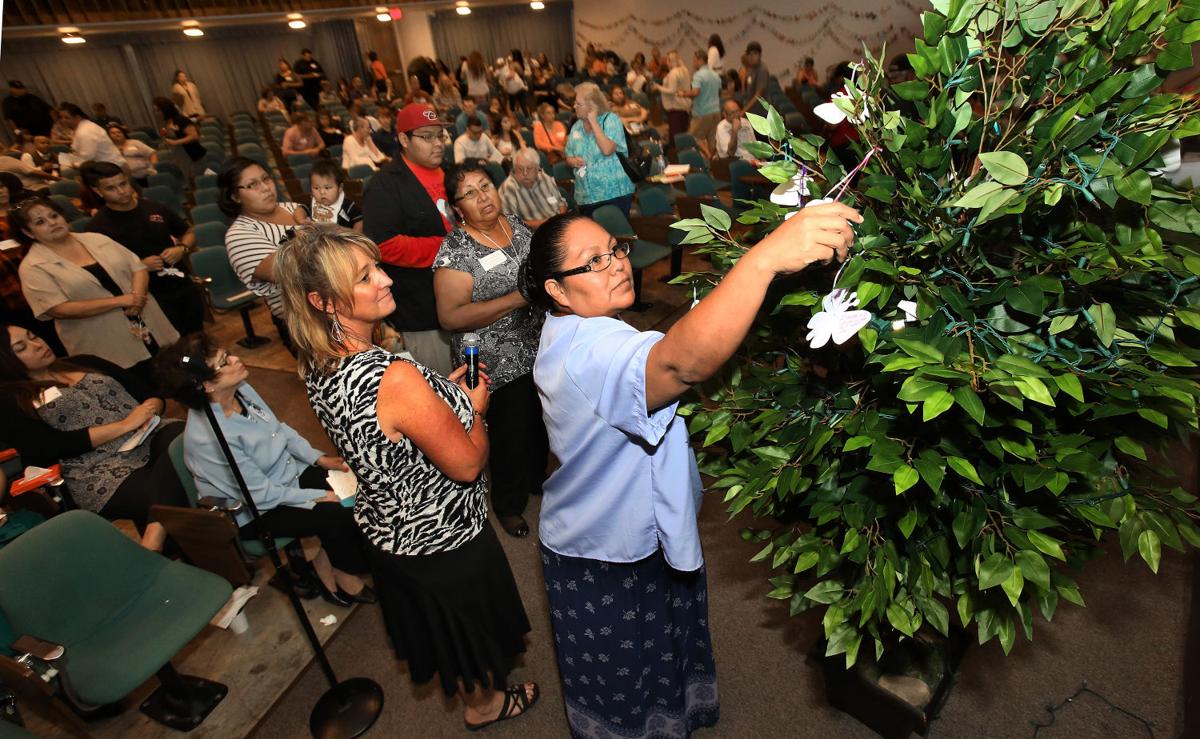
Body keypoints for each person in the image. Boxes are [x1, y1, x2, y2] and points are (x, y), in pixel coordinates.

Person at [522, 202, 861, 738]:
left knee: (660, 648)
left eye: (614, 250)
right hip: (602, 547)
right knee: (626, 675)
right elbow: (681, 362)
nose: (615, 264)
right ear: (557, 291)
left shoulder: (578, 327)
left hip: (635, 524)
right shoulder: (589, 350)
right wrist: (761, 260)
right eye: (592, 262)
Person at [274, 225, 539, 729]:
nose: (386, 279)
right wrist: (475, 409)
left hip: (389, 530)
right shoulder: (392, 376)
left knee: (448, 635)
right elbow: (465, 464)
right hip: (442, 536)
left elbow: (386, 430)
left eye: (377, 267)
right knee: (470, 634)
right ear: (323, 300)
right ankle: (485, 706)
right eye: (365, 276)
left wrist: (443, 397)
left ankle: (479, 697)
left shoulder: (315, 360)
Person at [155, 333, 376, 607]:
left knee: (358, 487)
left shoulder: (241, 390)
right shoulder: (208, 439)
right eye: (225, 361)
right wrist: (317, 497)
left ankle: (329, 556)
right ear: (205, 385)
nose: (236, 359)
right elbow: (259, 494)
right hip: (258, 509)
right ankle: (343, 571)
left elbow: (278, 429)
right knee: (338, 511)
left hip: (286, 474)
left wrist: (317, 459)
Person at [433, 161, 548, 537]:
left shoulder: (513, 224)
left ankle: (537, 480)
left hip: (536, 345)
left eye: (486, 185)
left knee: (540, 421)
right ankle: (508, 505)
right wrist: (517, 298)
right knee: (509, 434)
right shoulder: (455, 251)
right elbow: (450, 317)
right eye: (470, 193)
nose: (483, 196)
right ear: (456, 208)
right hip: (492, 362)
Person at [0, 324, 189, 551]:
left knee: (183, 439)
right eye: (22, 348)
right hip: (96, 468)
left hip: (151, 433)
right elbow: (46, 447)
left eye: (34, 336)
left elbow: (147, 393)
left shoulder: (85, 361)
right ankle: (184, 556)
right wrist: (125, 425)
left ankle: (154, 540)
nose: (38, 345)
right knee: (167, 488)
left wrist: (149, 409)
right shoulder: (12, 399)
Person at [14, 195, 179, 379]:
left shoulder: (95, 238)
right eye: (40, 222)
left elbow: (137, 267)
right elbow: (58, 308)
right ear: (28, 232)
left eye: (54, 216)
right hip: (102, 337)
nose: (52, 223)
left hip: (147, 319)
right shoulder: (33, 267)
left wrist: (137, 297)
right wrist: (120, 301)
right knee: (138, 386)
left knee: (176, 369)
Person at [362, 103, 454, 375]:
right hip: (423, 309)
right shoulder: (385, 184)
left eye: (440, 136)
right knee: (444, 384)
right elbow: (383, 244)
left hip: (465, 297)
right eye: (427, 137)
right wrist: (451, 247)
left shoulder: (451, 171)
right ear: (403, 139)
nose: (437, 143)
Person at [81, 161, 203, 335]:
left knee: (196, 335)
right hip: (147, 298)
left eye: (123, 184)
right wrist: (139, 267)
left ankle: (197, 362)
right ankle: (185, 362)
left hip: (182, 284)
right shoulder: (97, 228)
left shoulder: (153, 207)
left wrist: (181, 248)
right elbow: (104, 274)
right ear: (97, 191)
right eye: (111, 188)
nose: (121, 191)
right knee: (174, 346)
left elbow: (188, 232)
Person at [219, 157, 309, 348]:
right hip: (305, 323)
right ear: (235, 196)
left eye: (266, 179)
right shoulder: (239, 235)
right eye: (252, 185)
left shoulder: (292, 208)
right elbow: (289, 270)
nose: (266, 188)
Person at [563, 82, 635, 217]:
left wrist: (594, 122)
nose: (574, 107)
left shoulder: (611, 121)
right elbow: (568, 156)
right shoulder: (576, 127)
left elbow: (607, 149)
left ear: (592, 106)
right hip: (586, 196)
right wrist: (572, 161)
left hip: (613, 193)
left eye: (579, 104)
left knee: (615, 236)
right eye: (575, 103)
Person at [499, 148, 566, 229]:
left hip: (558, 226)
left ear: (537, 168)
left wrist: (560, 220)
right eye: (520, 168)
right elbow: (511, 223)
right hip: (534, 235)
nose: (525, 173)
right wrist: (548, 224)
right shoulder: (508, 189)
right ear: (514, 168)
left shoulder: (545, 178)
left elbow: (561, 203)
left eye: (529, 168)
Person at [56, 103, 125, 169]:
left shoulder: (85, 131)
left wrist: (73, 164)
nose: (63, 120)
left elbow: (87, 158)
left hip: (113, 168)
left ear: (77, 117)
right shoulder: (82, 127)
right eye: (61, 117)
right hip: (106, 167)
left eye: (66, 118)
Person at [153, 97, 206, 179]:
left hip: (194, 157)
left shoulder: (180, 119)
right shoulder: (166, 123)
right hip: (182, 158)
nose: (156, 113)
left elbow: (194, 136)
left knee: (199, 181)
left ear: (165, 109)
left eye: (158, 110)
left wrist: (175, 142)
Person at [687, 49, 723, 159]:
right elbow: (720, 92)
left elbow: (695, 92)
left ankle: (708, 157)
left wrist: (683, 93)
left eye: (694, 59)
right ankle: (712, 162)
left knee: (693, 138)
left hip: (702, 113)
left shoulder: (698, 75)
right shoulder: (715, 75)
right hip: (716, 111)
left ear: (699, 60)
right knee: (712, 139)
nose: (693, 62)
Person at [309, 160, 363, 232]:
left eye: (327, 188)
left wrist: (353, 232)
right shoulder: (312, 204)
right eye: (316, 188)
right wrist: (301, 219)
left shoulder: (348, 206)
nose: (322, 192)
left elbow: (359, 221)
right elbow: (300, 210)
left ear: (340, 188)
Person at [652, 52, 693, 143]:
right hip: (685, 106)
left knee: (675, 138)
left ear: (669, 61)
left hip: (676, 106)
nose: (666, 62)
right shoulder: (684, 69)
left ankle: (676, 156)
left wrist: (658, 87)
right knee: (683, 134)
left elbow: (671, 91)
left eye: (667, 60)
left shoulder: (674, 73)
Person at [740, 42, 770, 113]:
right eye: (749, 54)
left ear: (760, 55)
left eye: (755, 54)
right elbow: (746, 93)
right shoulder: (750, 69)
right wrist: (742, 81)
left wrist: (743, 111)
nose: (751, 57)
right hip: (751, 111)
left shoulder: (762, 70)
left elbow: (758, 96)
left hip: (762, 113)